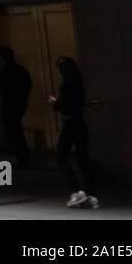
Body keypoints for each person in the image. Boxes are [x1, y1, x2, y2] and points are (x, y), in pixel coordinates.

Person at [50, 56, 98, 209]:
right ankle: (91, 194)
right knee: (83, 159)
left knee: (60, 156)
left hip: (70, 124)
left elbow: (66, 106)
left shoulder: (65, 86)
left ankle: (77, 190)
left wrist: (55, 103)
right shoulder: (79, 83)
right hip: (80, 124)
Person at [0, 47, 33, 168]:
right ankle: (23, 157)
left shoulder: (5, 71)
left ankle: (21, 158)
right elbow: (28, 85)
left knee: (14, 132)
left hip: (10, 105)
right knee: (17, 130)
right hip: (19, 105)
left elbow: (2, 92)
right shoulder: (20, 70)